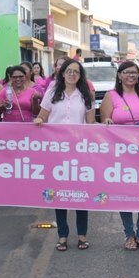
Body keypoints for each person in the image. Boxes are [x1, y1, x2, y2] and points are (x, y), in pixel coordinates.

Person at [34, 59, 95, 251]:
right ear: (62, 73)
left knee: (80, 194)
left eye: (76, 72)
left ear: (80, 75)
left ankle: (82, 235)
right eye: (69, 71)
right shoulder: (52, 92)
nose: (72, 74)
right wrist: (38, 120)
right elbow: (42, 116)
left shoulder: (86, 94)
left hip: (79, 152)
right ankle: (62, 235)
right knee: (58, 194)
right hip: (56, 153)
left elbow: (91, 125)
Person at [100, 61, 139, 251]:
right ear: (119, 75)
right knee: (124, 192)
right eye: (126, 72)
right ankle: (129, 234)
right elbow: (104, 121)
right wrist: (107, 121)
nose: (130, 76)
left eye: (134, 72)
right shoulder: (111, 96)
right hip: (121, 153)